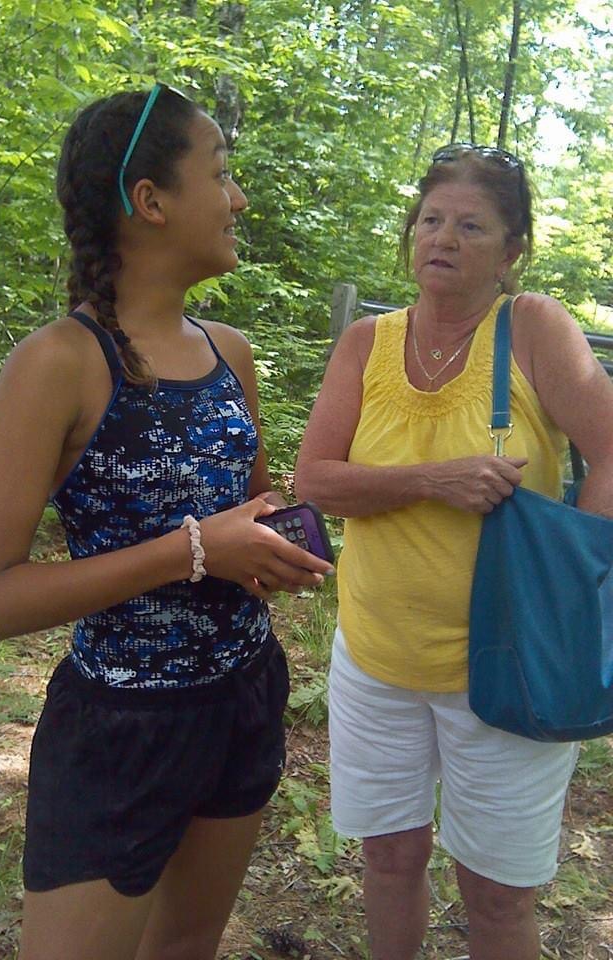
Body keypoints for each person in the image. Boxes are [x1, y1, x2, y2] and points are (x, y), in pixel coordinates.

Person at [0, 83, 333, 960]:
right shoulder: (57, 364)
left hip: (244, 697)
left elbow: (248, 515)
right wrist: (194, 550)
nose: (239, 199)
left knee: (187, 944)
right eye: (221, 174)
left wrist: (272, 546)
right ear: (151, 201)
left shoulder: (229, 352)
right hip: (120, 728)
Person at [295, 143, 613, 960]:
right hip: (376, 658)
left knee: (498, 897)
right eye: (431, 220)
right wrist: (434, 479)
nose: (443, 238)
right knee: (389, 858)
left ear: (512, 253)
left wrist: (576, 577)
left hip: (507, 667)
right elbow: (316, 480)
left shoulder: (532, 329)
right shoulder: (366, 343)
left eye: (471, 226)